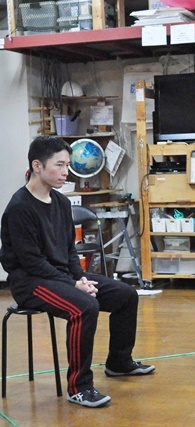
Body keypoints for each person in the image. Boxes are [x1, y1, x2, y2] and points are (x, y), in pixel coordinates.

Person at [0, 136, 155, 408]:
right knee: (84, 307)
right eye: (59, 165)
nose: (65, 172)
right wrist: (74, 285)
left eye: (67, 165)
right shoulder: (20, 208)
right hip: (31, 283)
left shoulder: (60, 203)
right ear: (37, 166)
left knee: (126, 294)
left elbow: (70, 251)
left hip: (61, 276)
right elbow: (33, 263)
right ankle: (79, 387)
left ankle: (119, 362)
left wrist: (80, 278)